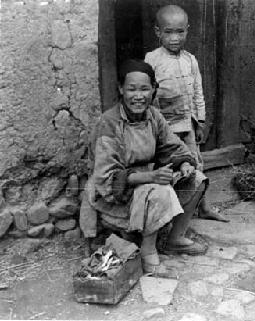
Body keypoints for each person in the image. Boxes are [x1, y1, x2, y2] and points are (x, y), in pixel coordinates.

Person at [81, 59, 208, 274]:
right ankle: (148, 254)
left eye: (144, 89)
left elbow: (173, 147)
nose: (138, 96)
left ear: (153, 90)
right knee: (160, 191)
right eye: (131, 89)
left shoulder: (153, 116)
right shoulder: (109, 123)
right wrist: (151, 177)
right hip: (115, 196)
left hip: (146, 184)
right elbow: (106, 178)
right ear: (121, 89)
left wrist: (184, 163)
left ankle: (174, 239)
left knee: (196, 179)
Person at [145, 5, 228, 223]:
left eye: (180, 32)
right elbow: (147, 96)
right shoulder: (152, 60)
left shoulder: (190, 60)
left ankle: (204, 206)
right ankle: (170, 214)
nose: (175, 38)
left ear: (187, 30)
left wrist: (199, 121)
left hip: (187, 125)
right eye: (168, 32)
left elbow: (197, 92)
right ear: (158, 32)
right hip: (165, 128)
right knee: (168, 167)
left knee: (196, 163)